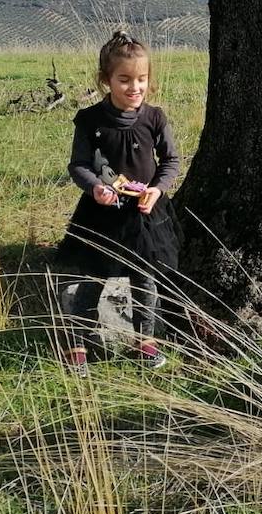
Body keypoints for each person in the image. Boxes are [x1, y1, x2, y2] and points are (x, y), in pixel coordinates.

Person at [56, 31, 183, 375]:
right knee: (94, 276)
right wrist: (95, 187)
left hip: (144, 214)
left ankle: (144, 339)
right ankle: (79, 341)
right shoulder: (90, 120)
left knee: (144, 278)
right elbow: (79, 165)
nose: (134, 88)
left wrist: (157, 189)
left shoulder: (154, 118)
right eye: (124, 80)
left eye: (141, 79)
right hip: (101, 214)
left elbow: (171, 160)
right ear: (105, 80)